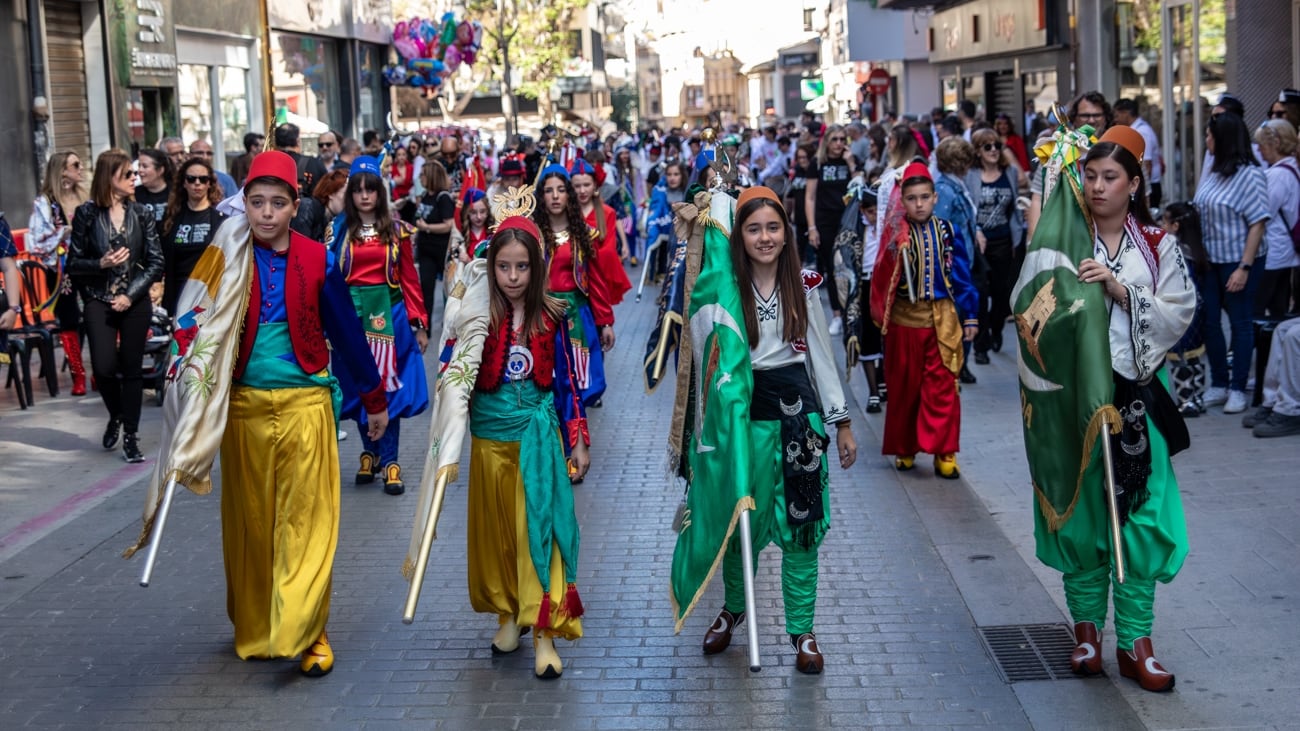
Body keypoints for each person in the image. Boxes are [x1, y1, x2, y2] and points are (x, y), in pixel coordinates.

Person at [193, 150, 388, 676]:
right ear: (243, 205)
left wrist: (374, 400)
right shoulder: (224, 254)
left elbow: (347, 333)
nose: (266, 213)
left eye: (277, 203)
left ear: (294, 205)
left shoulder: (318, 258)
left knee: (305, 522)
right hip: (244, 409)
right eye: (256, 202)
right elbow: (194, 325)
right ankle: (258, 626)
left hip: (306, 404)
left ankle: (310, 632)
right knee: (254, 524)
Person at [1045, 126, 1195, 693]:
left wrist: (1121, 291)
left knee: (1140, 518)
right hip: (1075, 404)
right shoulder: (1062, 239)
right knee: (1083, 517)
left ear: (1134, 183)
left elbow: (1177, 314)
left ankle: (1136, 641)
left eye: (1111, 177)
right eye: (1090, 175)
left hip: (1135, 402)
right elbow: (1030, 309)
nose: (1098, 186)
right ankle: (1087, 633)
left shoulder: (1157, 246)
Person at [699, 187, 855, 675]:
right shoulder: (726, 290)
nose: (764, 237)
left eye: (772, 227)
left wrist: (842, 423)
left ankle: (802, 630)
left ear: (786, 233)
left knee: (802, 528)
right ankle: (734, 608)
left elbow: (823, 364)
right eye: (753, 228)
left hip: (798, 423)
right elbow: (706, 362)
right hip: (743, 422)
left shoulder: (803, 287)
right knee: (739, 522)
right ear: (739, 236)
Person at [466, 215, 591, 679]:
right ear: (491, 266)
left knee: (536, 533)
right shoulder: (476, 313)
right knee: (498, 535)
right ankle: (508, 615)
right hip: (487, 438)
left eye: (522, 267)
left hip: (536, 438)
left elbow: (572, 383)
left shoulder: (556, 313)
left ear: (537, 268)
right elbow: (454, 374)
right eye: (504, 267)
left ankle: (543, 631)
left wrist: (576, 437)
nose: (513, 278)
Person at [327, 156, 430, 495]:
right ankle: (369, 452)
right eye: (358, 190)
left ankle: (391, 459)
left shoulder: (397, 230)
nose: (365, 196)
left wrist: (420, 322)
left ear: (380, 193)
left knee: (389, 389)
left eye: (371, 189)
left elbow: (410, 280)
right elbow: (328, 278)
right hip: (349, 319)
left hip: (391, 316)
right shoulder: (339, 230)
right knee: (359, 387)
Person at [869, 162, 978, 478]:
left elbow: (961, 273)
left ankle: (945, 451)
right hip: (904, 324)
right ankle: (905, 447)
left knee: (942, 387)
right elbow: (880, 276)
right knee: (905, 389)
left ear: (934, 198)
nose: (919, 204)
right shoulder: (894, 231)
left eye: (925, 197)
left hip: (941, 320)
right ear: (902, 200)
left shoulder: (947, 230)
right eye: (912, 198)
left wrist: (970, 315)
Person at [66, 148, 164, 463]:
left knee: (132, 368)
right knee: (105, 368)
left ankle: (132, 437)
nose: (135, 179)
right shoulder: (86, 214)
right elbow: (73, 263)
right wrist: (100, 262)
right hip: (98, 298)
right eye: (127, 175)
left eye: (135, 173)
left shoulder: (142, 214)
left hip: (133, 301)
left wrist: (131, 294)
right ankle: (117, 415)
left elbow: (154, 262)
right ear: (110, 178)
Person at [1193, 112, 1271, 414]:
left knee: (1240, 322)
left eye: (1210, 135)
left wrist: (1244, 267)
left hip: (1240, 260)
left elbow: (1258, 223)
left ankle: (1239, 387)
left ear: (1223, 139)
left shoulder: (1250, 175)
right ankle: (1219, 382)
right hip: (1209, 260)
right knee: (1209, 321)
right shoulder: (1212, 170)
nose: (1206, 140)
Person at [533, 164, 628, 406]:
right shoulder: (532, 235)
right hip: (542, 315)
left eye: (561, 190)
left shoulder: (584, 234)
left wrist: (605, 322)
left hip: (577, 315)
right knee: (545, 386)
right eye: (549, 190)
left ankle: (577, 435)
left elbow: (595, 282)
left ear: (569, 195)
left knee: (579, 386)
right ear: (541, 195)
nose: (555, 196)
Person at [28, 151, 89, 395]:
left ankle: (100, 372)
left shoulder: (85, 196)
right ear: (62, 171)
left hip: (91, 266)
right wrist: (61, 234)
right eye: (75, 165)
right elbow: (34, 242)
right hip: (62, 269)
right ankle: (78, 375)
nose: (81, 168)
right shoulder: (45, 202)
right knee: (69, 319)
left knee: (95, 317)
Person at [967, 128, 1026, 365]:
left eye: (996, 146)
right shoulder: (970, 174)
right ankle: (980, 347)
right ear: (978, 151)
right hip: (978, 243)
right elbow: (967, 207)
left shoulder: (1009, 172)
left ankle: (997, 328)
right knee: (981, 295)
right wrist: (975, 231)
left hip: (1003, 241)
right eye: (987, 146)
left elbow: (1018, 196)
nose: (993, 150)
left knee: (1002, 296)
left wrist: (1016, 238)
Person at [1027, 91, 1112, 240]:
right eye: (1085, 116)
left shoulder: (1119, 148)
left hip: (1110, 237)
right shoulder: (1060, 149)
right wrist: (1032, 244)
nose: (1091, 120)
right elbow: (1038, 197)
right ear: (1074, 119)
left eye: (1097, 115)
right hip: (1067, 238)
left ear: (1105, 118)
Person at [932, 137, 980, 386]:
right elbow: (943, 229)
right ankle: (956, 362)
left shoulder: (955, 186)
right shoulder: (945, 189)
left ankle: (961, 363)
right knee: (959, 314)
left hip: (965, 258)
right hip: (955, 266)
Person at [804, 125, 858, 336]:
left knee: (849, 267)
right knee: (832, 269)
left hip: (848, 222)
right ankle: (837, 315)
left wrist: (852, 163)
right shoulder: (817, 163)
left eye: (842, 139)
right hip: (825, 222)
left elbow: (858, 187)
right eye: (835, 139)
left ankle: (850, 313)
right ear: (827, 140)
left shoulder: (848, 160)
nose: (839, 143)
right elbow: (810, 197)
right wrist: (812, 227)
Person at [161, 157, 227, 318]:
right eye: (191, 179)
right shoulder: (172, 219)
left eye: (203, 179)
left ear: (210, 183)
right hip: (178, 294)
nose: (197, 183)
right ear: (184, 183)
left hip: (209, 296)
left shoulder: (221, 219)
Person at [1163, 202, 1210, 417]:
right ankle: (1197, 398)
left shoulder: (1173, 251)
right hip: (1197, 310)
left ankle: (1185, 401)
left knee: (1179, 356)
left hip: (1178, 310)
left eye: (1165, 220)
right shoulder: (1197, 250)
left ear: (1176, 226)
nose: (1162, 224)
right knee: (1194, 356)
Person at [1253, 119, 1299, 318]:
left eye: (1262, 145)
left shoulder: (1277, 175)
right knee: (1277, 311)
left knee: (1257, 311)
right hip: (1286, 251)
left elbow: (1263, 212)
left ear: (1275, 145)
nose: (1259, 150)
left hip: (1273, 252)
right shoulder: (1292, 169)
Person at [412, 161, 456, 312]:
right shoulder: (425, 196)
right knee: (425, 289)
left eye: (422, 174)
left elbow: (449, 224)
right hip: (425, 252)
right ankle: (426, 329)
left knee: (449, 289)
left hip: (441, 251)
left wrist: (427, 228)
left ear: (431, 176)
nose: (420, 178)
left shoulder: (443, 198)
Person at [1113, 99, 1164, 207]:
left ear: (1125, 113)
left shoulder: (1142, 132)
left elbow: (1146, 164)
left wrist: (1142, 192)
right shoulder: (1136, 130)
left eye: (1117, 115)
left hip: (1148, 188)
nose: (1115, 120)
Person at [274, 122, 328, 199]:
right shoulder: (312, 163)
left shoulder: (268, 164)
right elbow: (325, 189)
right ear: (298, 141)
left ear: (276, 142)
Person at [134, 149, 171, 226]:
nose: (140, 170)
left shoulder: (175, 192)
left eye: (145, 166)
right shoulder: (134, 194)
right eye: (139, 166)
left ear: (160, 170)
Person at [455, 187, 493, 260]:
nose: (479, 217)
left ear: (488, 211)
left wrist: (468, 261)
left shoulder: (493, 231)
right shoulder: (460, 233)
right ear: (467, 213)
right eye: (473, 212)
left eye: (482, 211)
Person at [993, 113, 1031, 177]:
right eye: (1000, 124)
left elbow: (1023, 157)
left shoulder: (1017, 140)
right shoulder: (993, 139)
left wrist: (1025, 173)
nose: (1003, 126)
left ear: (1009, 125)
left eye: (1005, 124)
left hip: (1014, 173)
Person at [388, 146, 416, 223]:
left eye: (403, 154)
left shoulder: (411, 167)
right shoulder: (391, 168)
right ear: (396, 156)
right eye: (399, 155)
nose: (401, 157)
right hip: (396, 200)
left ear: (406, 156)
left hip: (409, 200)